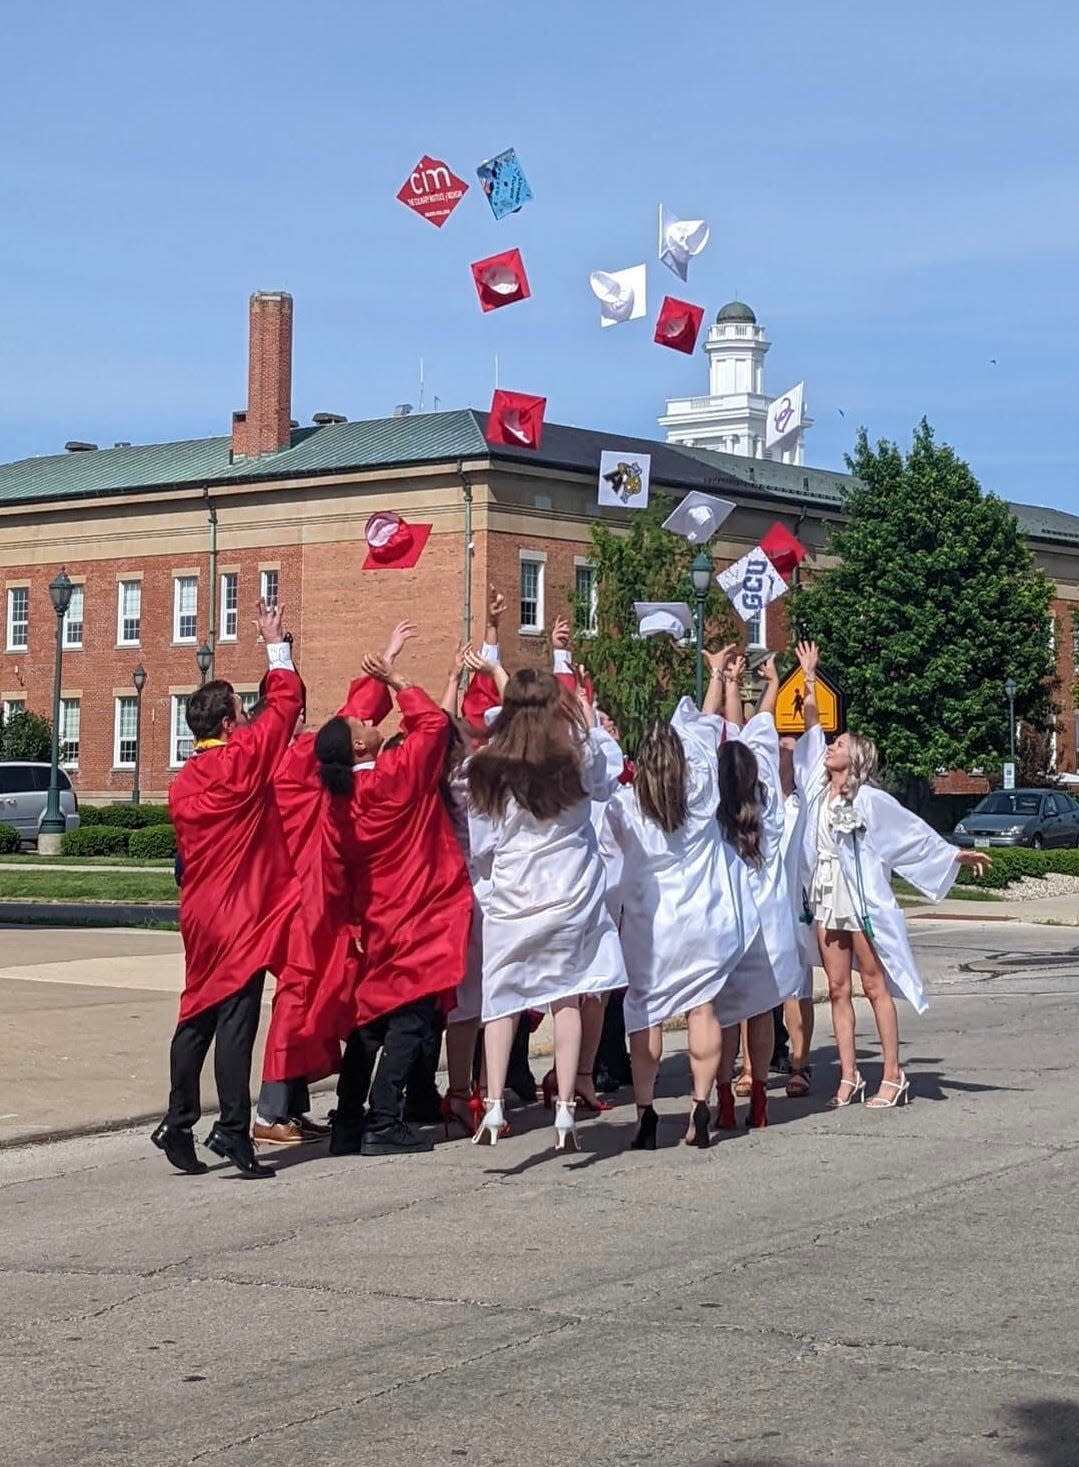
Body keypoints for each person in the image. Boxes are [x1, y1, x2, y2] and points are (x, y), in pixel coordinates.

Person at [152, 599, 302, 1179]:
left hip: (201, 912)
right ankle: (235, 1132)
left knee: (198, 1013)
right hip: (241, 911)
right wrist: (274, 645)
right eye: (240, 711)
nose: (246, 718)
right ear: (225, 724)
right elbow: (285, 706)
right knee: (239, 1018)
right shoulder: (241, 761)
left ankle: (178, 1118)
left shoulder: (184, 782)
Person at [251, 624, 415, 1145]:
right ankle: (269, 1110)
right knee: (297, 999)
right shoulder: (299, 765)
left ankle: (290, 1106)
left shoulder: (324, 769)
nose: (363, 719)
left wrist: (385, 662)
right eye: (362, 722)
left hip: (320, 905)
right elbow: (346, 719)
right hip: (304, 906)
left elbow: (350, 721)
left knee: (311, 1000)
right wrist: (281, 652)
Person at [467, 668, 627, 1153]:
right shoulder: (577, 754)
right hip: (571, 886)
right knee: (568, 995)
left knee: (502, 997)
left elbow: (482, 841)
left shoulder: (489, 763)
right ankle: (565, 1109)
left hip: (515, 889)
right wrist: (584, 714)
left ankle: (492, 1100)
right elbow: (607, 782)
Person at [323, 654, 473, 1156]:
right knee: (409, 1018)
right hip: (419, 906)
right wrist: (399, 682)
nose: (369, 720)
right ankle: (384, 1118)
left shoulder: (339, 801)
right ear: (360, 744)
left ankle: (347, 1121)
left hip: (377, 916)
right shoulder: (394, 776)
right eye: (362, 722)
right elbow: (433, 723)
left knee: (370, 1019)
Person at [804, 727, 989, 1108]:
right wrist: (807, 679)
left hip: (859, 897)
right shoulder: (817, 795)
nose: (829, 748)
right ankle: (848, 1074)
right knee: (837, 987)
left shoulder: (869, 800)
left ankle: (892, 1073)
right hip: (826, 893)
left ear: (854, 758)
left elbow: (909, 834)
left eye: (838, 745)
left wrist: (954, 855)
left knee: (874, 985)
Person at [606, 696, 759, 1150]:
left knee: (645, 1016)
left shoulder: (624, 806)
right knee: (703, 1010)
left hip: (652, 928)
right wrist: (714, 680)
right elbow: (702, 729)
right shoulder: (703, 793)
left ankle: (646, 1110)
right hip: (703, 922)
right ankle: (699, 1106)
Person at [708, 653, 804, 1132]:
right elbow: (760, 734)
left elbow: (732, 736)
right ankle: (760, 1097)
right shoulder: (770, 809)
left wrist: (723, 681)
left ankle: (725, 1098)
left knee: (726, 1016)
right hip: (768, 926)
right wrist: (774, 683)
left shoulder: (712, 813)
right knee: (761, 1014)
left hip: (730, 922)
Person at [776, 641, 827, 1099]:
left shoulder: (809, 796)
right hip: (761, 908)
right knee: (750, 993)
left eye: (793, 748)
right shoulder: (762, 802)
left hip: (799, 906)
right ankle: (750, 1070)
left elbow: (813, 728)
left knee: (798, 988)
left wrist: (808, 679)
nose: (787, 753)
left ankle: (800, 1062)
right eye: (780, 749)